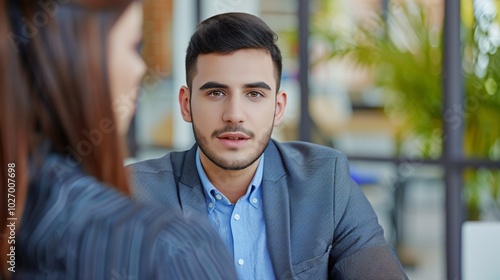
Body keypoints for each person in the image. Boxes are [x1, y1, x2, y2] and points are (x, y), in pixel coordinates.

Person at [128, 12, 408, 280]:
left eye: (254, 94)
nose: (234, 113)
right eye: (216, 93)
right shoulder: (134, 195)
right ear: (186, 104)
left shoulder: (327, 182)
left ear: (278, 107)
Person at [0, 0, 237, 279]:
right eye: (133, 46)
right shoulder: (170, 248)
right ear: (83, 55)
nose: (140, 69)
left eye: (255, 94)